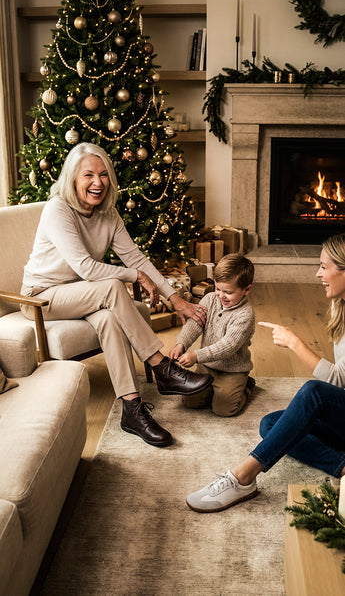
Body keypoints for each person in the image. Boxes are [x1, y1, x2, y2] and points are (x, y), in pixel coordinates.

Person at [20, 142, 213, 448]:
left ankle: (132, 409)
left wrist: (175, 299)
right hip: (43, 298)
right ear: (72, 178)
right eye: (88, 175)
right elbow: (87, 267)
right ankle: (162, 367)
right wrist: (134, 277)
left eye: (103, 175)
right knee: (112, 287)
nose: (97, 182)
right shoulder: (58, 209)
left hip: (83, 293)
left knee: (110, 318)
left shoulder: (107, 215)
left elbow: (136, 258)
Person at [186, 232, 345, 512]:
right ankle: (342, 467)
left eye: (324, 266)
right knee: (271, 425)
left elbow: (337, 380)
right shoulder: (340, 306)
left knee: (313, 393)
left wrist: (295, 343)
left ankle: (243, 477)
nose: (317, 274)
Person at [169, 253, 255, 417]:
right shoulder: (209, 299)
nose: (221, 295)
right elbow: (195, 324)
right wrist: (181, 344)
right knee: (190, 401)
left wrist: (196, 355)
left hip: (232, 371)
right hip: (206, 367)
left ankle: (246, 386)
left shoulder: (245, 315)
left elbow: (227, 347)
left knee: (224, 409)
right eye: (217, 289)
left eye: (228, 292)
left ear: (247, 289)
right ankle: (213, 391)